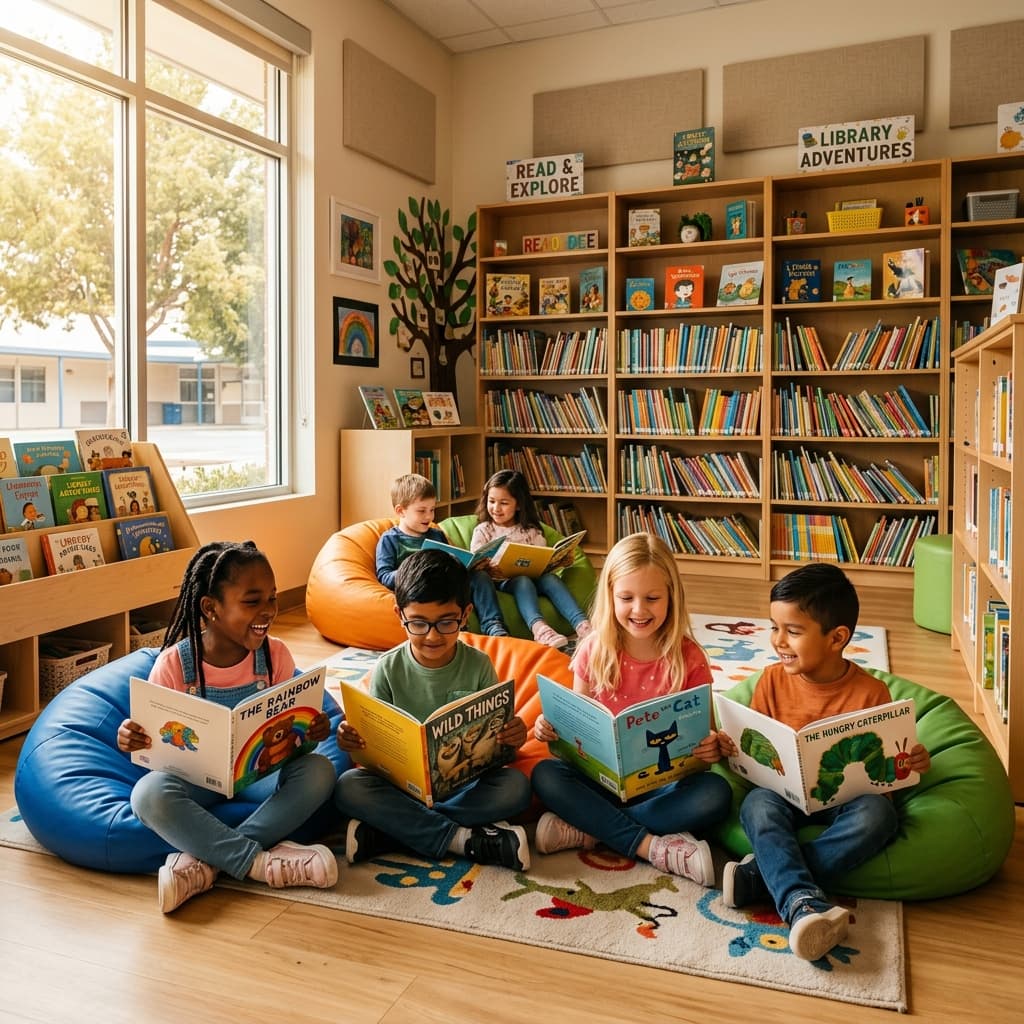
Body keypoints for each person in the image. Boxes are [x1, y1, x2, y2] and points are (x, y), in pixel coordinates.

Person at [716, 562, 931, 962]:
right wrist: (737, 749)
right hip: (784, 796)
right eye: (774, 627)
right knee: (756, 806)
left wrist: (914, 762)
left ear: (837, 638)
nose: (778, 641)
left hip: (847, 801)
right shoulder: (770, 680)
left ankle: (766, 881)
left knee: (879, 817)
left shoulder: (871, 693)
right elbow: (759, 748)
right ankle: (801, 899)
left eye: (793, 631)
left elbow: (889, 771)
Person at [116, 540, 339, 913]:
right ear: (210, 608)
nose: (268, 610)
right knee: (147, 795)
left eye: (272, 597)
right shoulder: (174, 665)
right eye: (253, 601)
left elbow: (290, 738)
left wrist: (309, 734)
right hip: (194, 780)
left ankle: (208, 863)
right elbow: (150, 741)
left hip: (256, 777)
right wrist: (130, 737)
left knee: (319, 771)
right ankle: (257, 864)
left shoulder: (275, 656)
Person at [531, 533, 731, 884]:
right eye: (626, 598)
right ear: (610, 596)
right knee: (546, 775)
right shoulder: (594, 649)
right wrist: (551, 729)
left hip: (663, 786)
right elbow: (576, 728)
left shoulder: (689, 658)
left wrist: (710, 746)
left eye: (652, 598)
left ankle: (591, 831)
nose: (639, 610)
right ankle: (651, 846)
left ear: (672, 597)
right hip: (599, 781)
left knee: (715, 794)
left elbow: (704, 746)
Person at [335, 549, 532, 869]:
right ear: (400, 615)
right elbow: (373, 757)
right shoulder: (388, 668)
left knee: (516, 788)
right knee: (347, 788)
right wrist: (354, 740)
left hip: (463, 788)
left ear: (465, 614)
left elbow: (498, 752)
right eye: (418, 623)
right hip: (403, 789)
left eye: (446, 622)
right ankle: (464, 840)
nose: (432, 635)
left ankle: (392, 831)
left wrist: (512, 737)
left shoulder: (479, 665)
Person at [376, 472, 508, 637]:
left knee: (479, 577)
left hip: (446, 583)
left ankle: (493, 626)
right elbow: (384, 575)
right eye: (421, 511)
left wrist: (471, 565)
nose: (429, 516)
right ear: (401, 511)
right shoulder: (390, 539)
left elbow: (451, 561)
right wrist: (413, 573)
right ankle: (455, 625)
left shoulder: (436, 535)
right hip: (418, 589)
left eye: (432, 510)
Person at [470, 469, 591, 648]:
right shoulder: (483, 530)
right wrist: (486, 566)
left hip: (533, 576)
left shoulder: (531, 531)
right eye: (491, 501)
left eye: (504, 503)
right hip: (501, 580)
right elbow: (476, 558)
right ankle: (540, 629)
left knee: (549, 578)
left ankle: (583, 625)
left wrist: (558, 561)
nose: (496, 508)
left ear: (519, 505)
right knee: (522, 581)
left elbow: (541, 558)